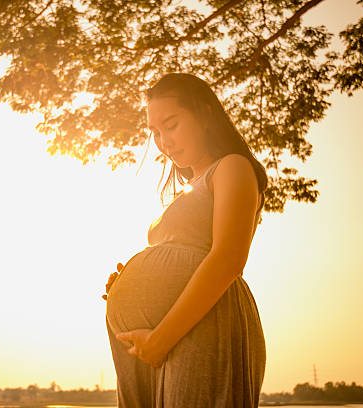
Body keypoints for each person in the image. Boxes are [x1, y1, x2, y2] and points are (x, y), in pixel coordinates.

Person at [102, 72, 267, 407]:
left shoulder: (232, 167)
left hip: (201, 326)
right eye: (156, 132)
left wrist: (161, 339)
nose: (163, 141)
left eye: (172, 125)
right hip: (155, 341)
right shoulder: (184, 192)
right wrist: (128, 284)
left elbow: (228, 259)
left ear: (205, 114)